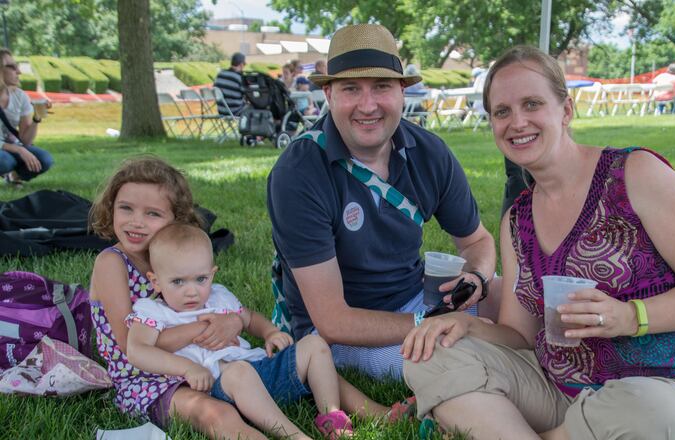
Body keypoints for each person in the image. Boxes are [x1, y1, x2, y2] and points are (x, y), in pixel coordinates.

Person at [402, 46, 675, 439]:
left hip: (664, 388)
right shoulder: (518, 220)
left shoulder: (633, 175)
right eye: (502, 112)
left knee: (648, 413)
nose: (517, 122)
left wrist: (631, 316)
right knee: (428, 356)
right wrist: (467, 324)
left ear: (565, 111)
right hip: (557, 391)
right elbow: (519, 335)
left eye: (532, 104)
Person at [267, 23, 498, 380]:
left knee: (522, 305)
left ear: (403, 91)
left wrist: (478, 277)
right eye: (350, 89)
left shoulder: (430, 151)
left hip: (419, 301)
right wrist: (431, 323)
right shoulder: (298, 172)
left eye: (382, 86)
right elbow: (333, 321)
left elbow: (477, 241)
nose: (368, 105)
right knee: (456, 357)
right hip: (344, 334)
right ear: (328, 94)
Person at [126, 223, 389, 439]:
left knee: (314, 344)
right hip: (219, 387)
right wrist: (186, 368)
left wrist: (270, 332)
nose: (192, 290)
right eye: (178, 281)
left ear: (212, 274)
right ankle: (294, 435)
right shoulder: (152, 311)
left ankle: (331, 416)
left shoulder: (219, 297)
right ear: (155, 281)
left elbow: (249, 318)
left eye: (201, 279)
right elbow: (137, 350)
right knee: (238, 372)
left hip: (259, 371)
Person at [90, 157, 272, 438]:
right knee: (218, 414)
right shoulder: (111, 263)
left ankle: (362, 411)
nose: (136, 222)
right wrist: (208, 327)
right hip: (145, 377)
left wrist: (235, 320)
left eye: (152, 213)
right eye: (126, 208)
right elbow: (131, 346)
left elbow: (207, 302)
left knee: (293, 365)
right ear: (111, 208)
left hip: (203, 360)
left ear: (177, 219)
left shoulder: (170, 259)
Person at [0, 48, 53, 187]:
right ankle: (8, 169)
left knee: (45, 159)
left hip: (12, 146)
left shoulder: (20, 96)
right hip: (5, 150)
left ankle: (13, 176)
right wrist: (20, 150)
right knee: (5, 161)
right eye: (11, 67)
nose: (18, 71)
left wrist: (36, 118)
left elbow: (25, 140)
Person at [213, 52, 246, 116]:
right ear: (241, 64)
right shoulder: (239, 77)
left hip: (221, 111)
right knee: (256, 108)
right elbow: (247, 95)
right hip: (235, 111)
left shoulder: (220, 74)